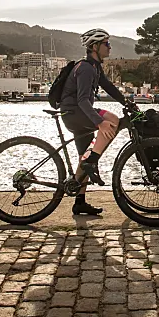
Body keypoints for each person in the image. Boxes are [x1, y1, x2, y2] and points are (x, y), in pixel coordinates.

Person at [58, 28, 130, 216]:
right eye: (106, 44)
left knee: (85, 155)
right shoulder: (86, 68)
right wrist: (99, 122)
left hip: (78, 113)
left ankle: (79, 201)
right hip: (75, 113)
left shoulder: (95, 68)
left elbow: (109, 87)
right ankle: (93, 160)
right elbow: (82, 100)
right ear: (95, 47)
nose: (110, 47)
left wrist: (127, 102)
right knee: (112, 120)